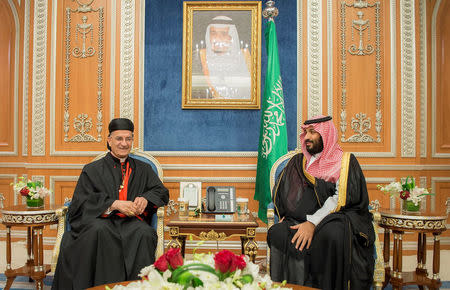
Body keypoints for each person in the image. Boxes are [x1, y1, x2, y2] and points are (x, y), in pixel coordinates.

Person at [52, 118, 169, 290]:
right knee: (100, 231)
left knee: (144, 233)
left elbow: (161, 192)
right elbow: (80, 202)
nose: (124, 143)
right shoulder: (92, 169)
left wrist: (146, 198)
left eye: (128, 139)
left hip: (131, 222)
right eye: (119, 139)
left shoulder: (144, 169)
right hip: (101, 220)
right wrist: (112, 204)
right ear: (109, 141)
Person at [267, 115, 375, 290]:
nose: (307, 137)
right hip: (299, 219)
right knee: (278, 232)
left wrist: (312, 222)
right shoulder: (298, 161)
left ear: (326, 135)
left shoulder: (345, 162)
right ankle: (290, 287)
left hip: (336, 217)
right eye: (306, 133)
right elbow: (284, 192)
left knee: (332, 234)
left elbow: (340, 199)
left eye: (313, 133)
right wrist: (285, 215)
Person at [192, 15, 251, 99]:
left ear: (232, 37)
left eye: (224, 33)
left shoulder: (244, 57)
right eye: (213, 33)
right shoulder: (197, 57)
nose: (218, 38)